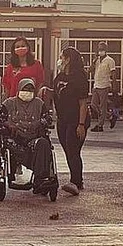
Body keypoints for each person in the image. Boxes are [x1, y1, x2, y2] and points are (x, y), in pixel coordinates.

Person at [0, 77, 56, 194]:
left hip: (33, 137)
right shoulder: (9, 103)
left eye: (31, 89)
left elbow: (47, 119)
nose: (28, 92)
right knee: (9, 144)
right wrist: (8, 124)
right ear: (19, 89)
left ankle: (40, 180)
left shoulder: (39, 104)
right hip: (15, 137)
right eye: (25, 89)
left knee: (43, 144)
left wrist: (41, 123)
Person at [53, 46, 89, 196]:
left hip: (76, 119)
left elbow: (83, 103)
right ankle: (75, 179)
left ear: (68, 59)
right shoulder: (60, 76)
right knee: (68, 150)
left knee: (73, 149)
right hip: (62, 118)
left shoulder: (80, 78)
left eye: (62, 57)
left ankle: (76, 181)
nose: (60, 60)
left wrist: (81, 124)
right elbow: (58, 92)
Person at [89, 42, 116, 132]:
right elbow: (90, 70)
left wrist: (114, 85)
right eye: (99, 49)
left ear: (106, 50)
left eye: (102, 49)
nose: (100, 51)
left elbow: (113, 73)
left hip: (104, 85)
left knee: (102, 106)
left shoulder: (110, 60)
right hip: (96, 85)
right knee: (93, 105)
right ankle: (110, 116)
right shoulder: (97, 60)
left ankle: (100, 125)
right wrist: (94, 60)